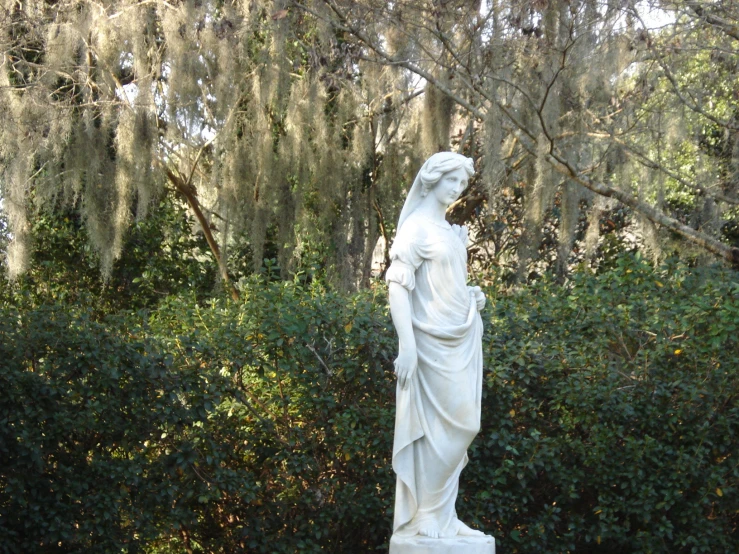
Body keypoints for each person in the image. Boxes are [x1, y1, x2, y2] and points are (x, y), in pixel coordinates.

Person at [386, 152, 487, 540]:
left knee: (462, 426)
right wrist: (406, 346)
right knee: (445, 429)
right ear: (432, 179)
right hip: (429, 343)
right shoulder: (416, 228)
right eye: (452, 182)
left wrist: (471, 295)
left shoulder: (446, 230)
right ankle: (426, 513)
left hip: (460, 337)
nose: (458, 190)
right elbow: (398, 286)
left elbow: (448, 284)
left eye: (462, 185)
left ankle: (444, 515)